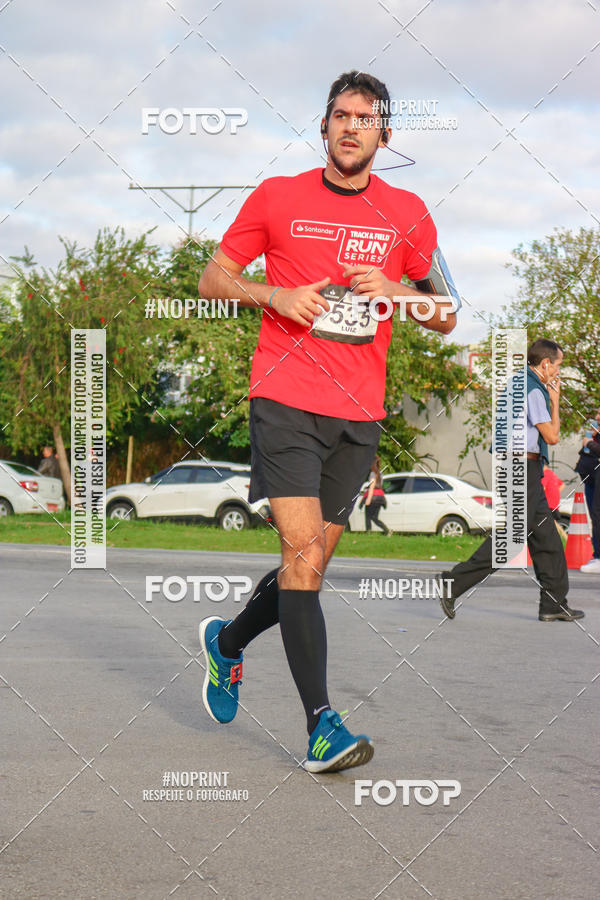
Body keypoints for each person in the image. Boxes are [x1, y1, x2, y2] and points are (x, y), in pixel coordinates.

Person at [197, 70, 458, 772]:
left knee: (303, 569)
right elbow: (213, 277)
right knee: (305, 556)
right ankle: (322, 727)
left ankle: (226, 644)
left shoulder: (408, 213)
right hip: (283, 398)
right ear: (324, 126)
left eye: (365, 118)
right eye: (339, 115)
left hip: (359, 414)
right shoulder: (278, 196)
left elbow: (447, 314)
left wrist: (402, 290)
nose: (350, 127)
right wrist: (272, 293)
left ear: (385, 133)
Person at [438, 339, 584, 622]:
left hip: (518, 466)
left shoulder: (520, 383)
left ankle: (554, 603)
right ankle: (453, 583)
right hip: (520, 467)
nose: (558, 373)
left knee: (547, 538)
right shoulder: (533, 390)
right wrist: (555, 401)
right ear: (544, 364)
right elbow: (552, 436)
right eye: (557, 366)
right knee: (512, 539)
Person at [575, 406, 600, 572]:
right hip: (590, 476)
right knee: (594, 514)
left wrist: (589, 443)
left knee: (598, 513)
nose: (597, 416)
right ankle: (596, 553)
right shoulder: (594, 430)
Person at [359, 455, 390, 534]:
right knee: (375, 518)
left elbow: (372, 487)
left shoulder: (373, 474)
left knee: (368, 517)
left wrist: (368, 499)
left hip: (373, 498)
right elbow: (380, 486)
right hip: (380, 498)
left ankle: (368, 532)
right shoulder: (380, 474)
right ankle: (387, 531)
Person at [541, 464, 566, 539]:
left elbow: (542, 488)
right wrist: (554, 494)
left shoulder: (545, 474)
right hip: (554, 503)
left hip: (548, 504)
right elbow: (562, 485)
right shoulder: (551, 473)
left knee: (551, 523)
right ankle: (565, 538)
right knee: (552, 523)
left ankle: (565, 538)